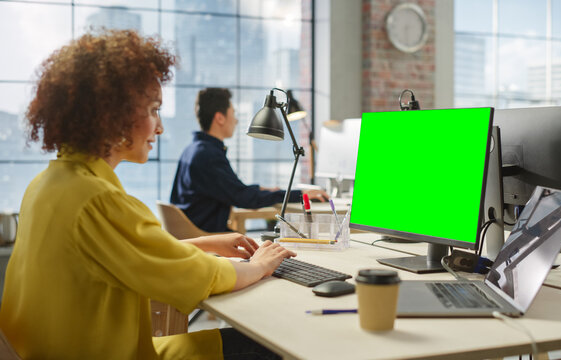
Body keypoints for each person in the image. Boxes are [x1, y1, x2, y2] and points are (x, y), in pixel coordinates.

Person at [0, 29, 294, 359]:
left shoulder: (48, 184)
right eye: (154, 109)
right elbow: (195, 277)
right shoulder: (97, 200)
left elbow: (120, 254)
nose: (160, 127)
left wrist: (208, 242)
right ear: (112, 114)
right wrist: (259, 265)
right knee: (270, 346)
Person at [170, 87, 328, 233]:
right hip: (207, 237)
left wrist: (261, 189)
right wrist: (301, 194)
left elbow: (234, 190)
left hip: (194, 235)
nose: (236, 120)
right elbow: (244, 198)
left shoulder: (193, 150)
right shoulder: (207, 155)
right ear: (220, 118)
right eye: (233, 113)